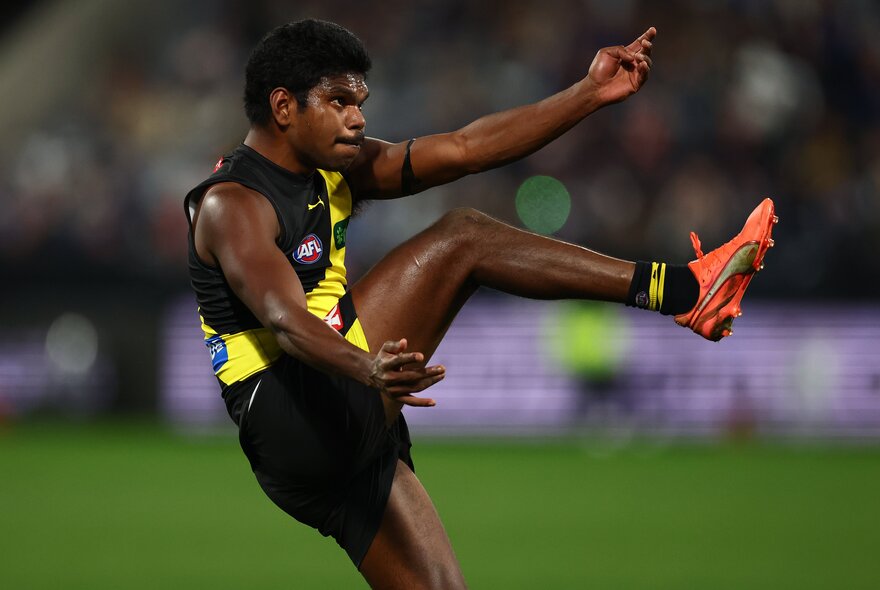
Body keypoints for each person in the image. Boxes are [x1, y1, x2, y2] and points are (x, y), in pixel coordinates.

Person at [183, 19, 776, 589]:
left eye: (361, 101)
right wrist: (368, 368)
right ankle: (687, 291)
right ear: (284, 107)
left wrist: (588, 94)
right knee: (463, 238)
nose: (359, 118)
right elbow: (286, 321)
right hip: (294, 409)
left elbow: (467, 148)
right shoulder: (232, 204)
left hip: (338, 421)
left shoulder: (333, 168)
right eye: (340, 101)